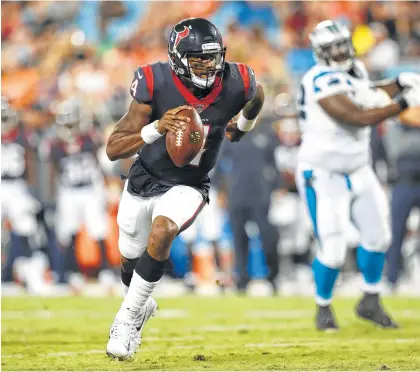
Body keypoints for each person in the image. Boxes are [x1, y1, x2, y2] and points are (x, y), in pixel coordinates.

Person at [105, 18, 264, 360]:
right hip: (144, 176)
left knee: (163, 231)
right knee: (130, 263)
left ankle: (127, 320)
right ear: (178, 59)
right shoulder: (154, 81)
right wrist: (155, 129)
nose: (209, 65)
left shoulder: (238, 80)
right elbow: (113, 148)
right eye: (199, 59)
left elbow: (257, 95)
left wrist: (244, 126)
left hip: (189, 182)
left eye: (213, 57)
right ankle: (139, 304)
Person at [295, 20, 420, 331]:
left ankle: (370, 300)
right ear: (320, 52)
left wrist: (399, 81)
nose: (340, 51)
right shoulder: (317, 79)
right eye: (333, 47)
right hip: (324, 172)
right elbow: (356, 115)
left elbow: (367, 93)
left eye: (342, 44)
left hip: (358, 167)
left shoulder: (355, 71)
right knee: (334, 248)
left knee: (380, 237)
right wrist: (404, 100)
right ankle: (322, 306)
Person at [42, 99, 113, 292]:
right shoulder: (55, 145)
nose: (68, 128)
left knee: (98, 230)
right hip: (68, 191)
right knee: (68, 233)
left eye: (71, 123)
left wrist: (105, 188)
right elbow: (54, 171)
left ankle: (106, 271)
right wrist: (51, 199)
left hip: (90, 190)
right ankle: (71, 272)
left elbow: (100, 165)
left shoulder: (91, 140)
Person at [1, 97, 48, 294]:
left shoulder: (22, 135)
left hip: (16, 186)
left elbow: (30, 163)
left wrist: (32, 191)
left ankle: (32, 275)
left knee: (28, 229)